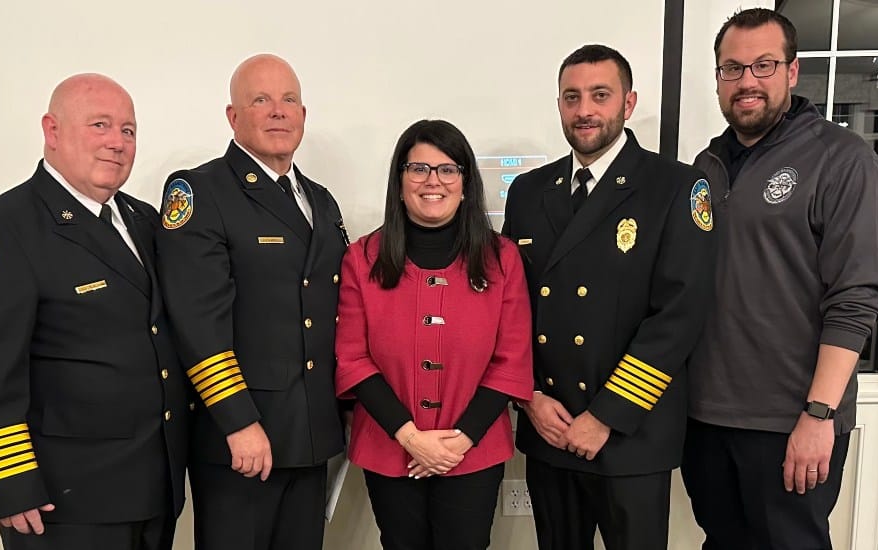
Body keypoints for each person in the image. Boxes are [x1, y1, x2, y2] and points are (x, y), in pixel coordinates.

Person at [0, 74, 189, 550]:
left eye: (128, 130)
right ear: (51, 131)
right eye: (100, 125)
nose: (117, 143)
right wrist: (8, 485)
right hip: (64, 503)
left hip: (154, 487)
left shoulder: (142, 221)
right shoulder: (0, 228)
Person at [681, 8, 878, 550]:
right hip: (707, 416)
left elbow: (856, 298)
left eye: (763, 65)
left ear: (792, 72)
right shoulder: (707, 165)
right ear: (719, 78)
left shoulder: (841, 159)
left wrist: (818, 415)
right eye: (732, 68)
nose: (747, 81)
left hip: (791, 419)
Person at [501, 44, 716, 550]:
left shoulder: (676, 186)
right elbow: (510, 307)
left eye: (600, 95)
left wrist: (606, 416)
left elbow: (678, 317)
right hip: (549, 427)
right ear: (559, 105)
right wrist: (528, 395)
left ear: (628, 101)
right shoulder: (530, 191)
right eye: (571, 97)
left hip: (630, 435)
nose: (585, 110)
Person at [154, 54, 347, 550]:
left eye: (289, 100)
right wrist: (238, 420)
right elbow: (197, 322)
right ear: (233, 116)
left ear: (304, 114)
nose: (278, 111)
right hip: (241, 438)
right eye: (261, 100)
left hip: (309, 435)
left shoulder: (320, 200)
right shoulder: (200, 191)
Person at [334, 119, 533, 550]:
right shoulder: (361, 258)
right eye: (418, 169)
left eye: (447, 169)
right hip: (390, 449)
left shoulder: (503, 260)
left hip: (473, 450)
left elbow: (512, 360)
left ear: (465, 181)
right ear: (400, 180)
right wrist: (411, 438)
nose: (433, 181)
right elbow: (352, 358)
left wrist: (456, 443)